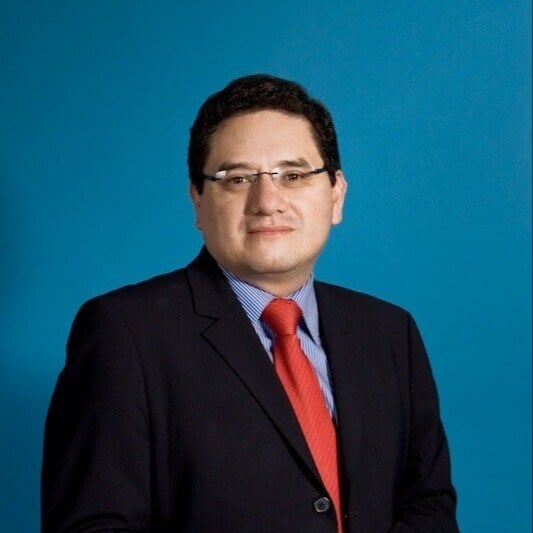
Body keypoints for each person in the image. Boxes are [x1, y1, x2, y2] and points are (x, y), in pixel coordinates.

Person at [42, 74, 459, 532]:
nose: (267, 202)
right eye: (237, 179)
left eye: (293, 176)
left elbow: (428, 504)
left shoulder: (389, 332)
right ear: (198, 200)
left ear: (336, 194)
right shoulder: (125, 334)